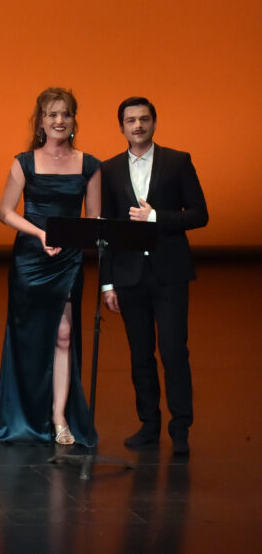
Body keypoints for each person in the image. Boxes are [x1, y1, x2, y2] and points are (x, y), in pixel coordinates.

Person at [100, 97, 207, 456]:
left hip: (170, 272)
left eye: (144, 119)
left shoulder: (178, 161)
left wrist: (157, 217)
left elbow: (199, 214)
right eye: (131, 120)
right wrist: (108, 283)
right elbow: (108, 230)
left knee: (174, 351)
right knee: (140, 354)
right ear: (122, 127)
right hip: (129, 276)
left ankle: (181, 428)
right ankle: (149, 425)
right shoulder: (109, 170)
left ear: (155, 122)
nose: (138, 125)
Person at [0, 87, 100, 447]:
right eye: (52, 114)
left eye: (66, 114)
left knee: (64, 335)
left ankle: (58, 417)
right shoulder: (24, 162)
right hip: (30, 259)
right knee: (27, 338)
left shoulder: (90, 165)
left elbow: (94, 220)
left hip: (67, 260)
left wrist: (71, 239)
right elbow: (5, 212)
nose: (59, 120)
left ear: (74, 121)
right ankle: (24, 416)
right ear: (40, 121)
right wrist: (41, 234)